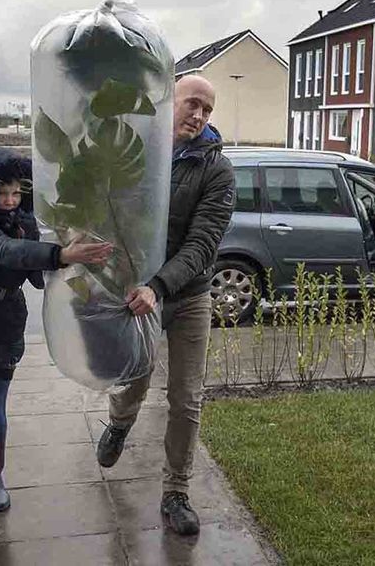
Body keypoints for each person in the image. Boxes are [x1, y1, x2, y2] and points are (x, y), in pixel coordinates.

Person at [0, 148, 113, 555]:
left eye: (17, 193)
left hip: (1, 329)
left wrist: (75, 255)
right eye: (3, 193)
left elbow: (34, 275)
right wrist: (59, 253)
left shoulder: (23, 223)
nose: (10, 201)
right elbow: (2, 251)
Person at [95, 75, 236, 536]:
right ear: (169, 103)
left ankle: (176, 492)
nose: (198, 115)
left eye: (207, 110)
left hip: (188, 294)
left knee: (187, 398)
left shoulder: (217, 170)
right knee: (135, 378)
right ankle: (119, 423)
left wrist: (159, 285)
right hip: (140, 291)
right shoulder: (140, 152)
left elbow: (203, 244)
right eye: (192, 104)